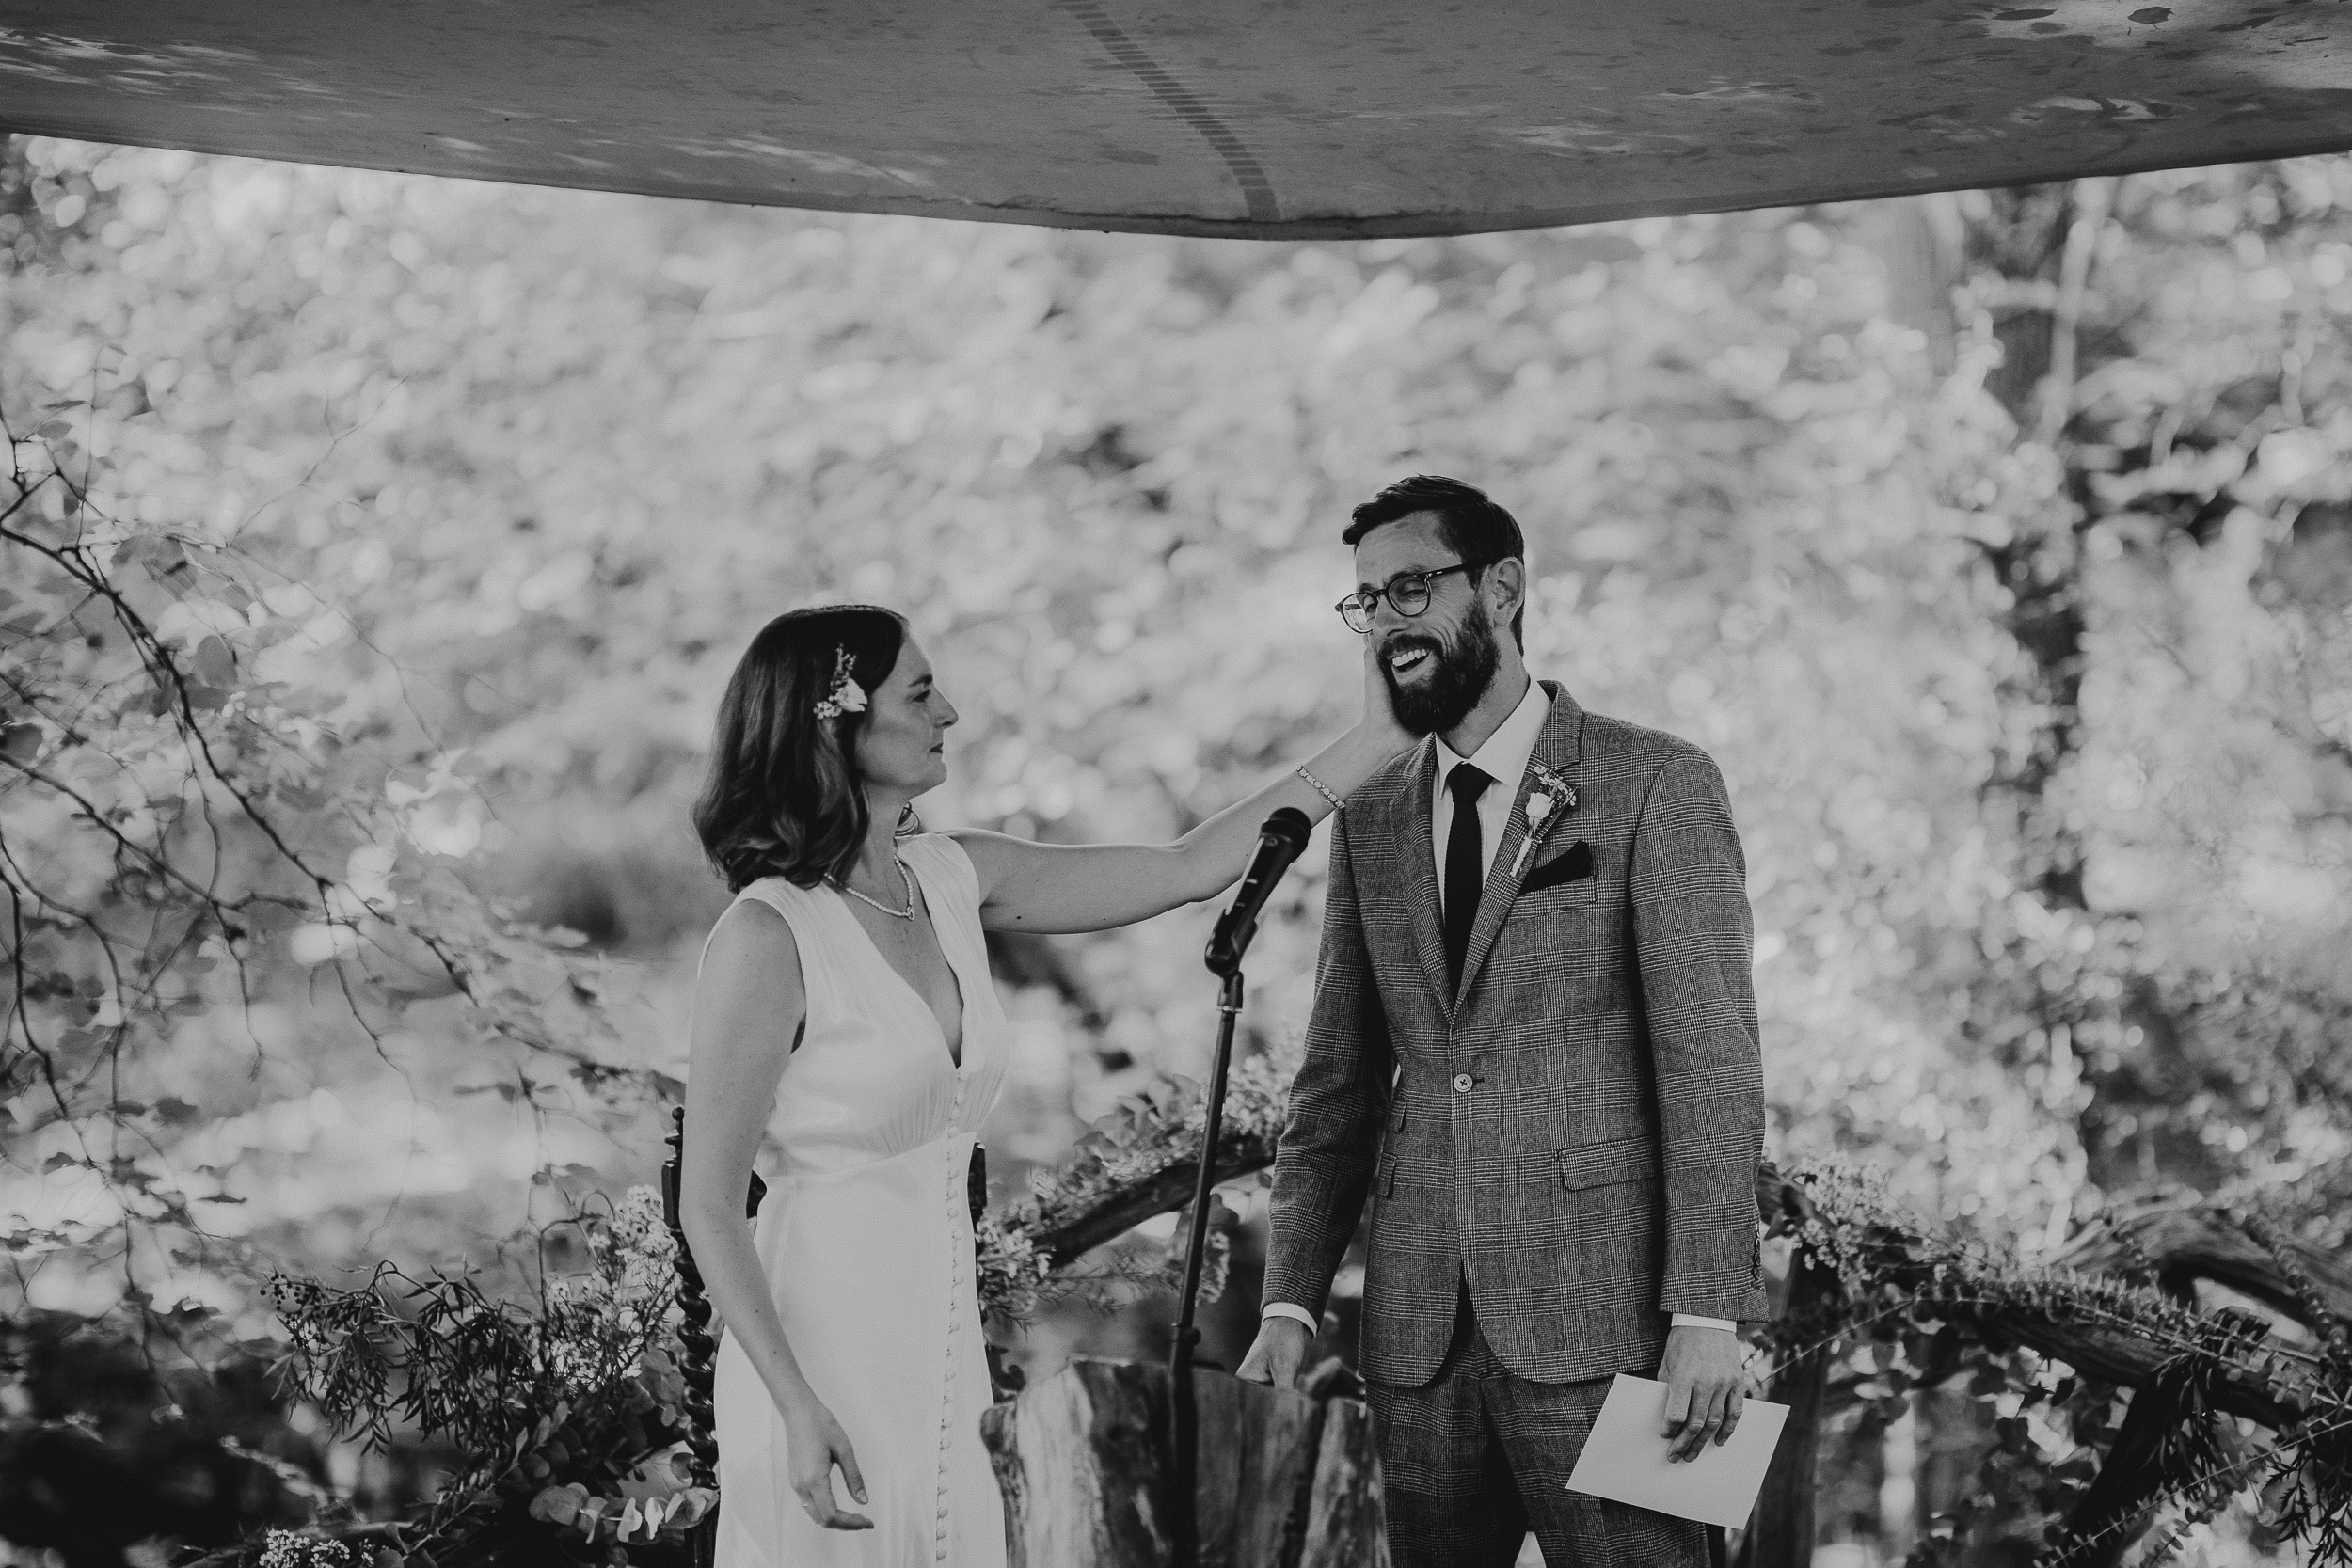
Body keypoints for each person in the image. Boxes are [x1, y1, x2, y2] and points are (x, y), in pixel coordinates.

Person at [678, 602, 1410, 1568]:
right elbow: (709, 1204)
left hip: (939, 1336)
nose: (950, 710)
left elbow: (1184, 867)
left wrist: (1375, 740)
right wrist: (796, 1402)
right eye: (920, 689)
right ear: (836, 720)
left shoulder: (952, 876)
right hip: (817, 1345)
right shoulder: (767, 935)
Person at [1235, 476, 1769, 1567]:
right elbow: (1333, 1082)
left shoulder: (1654, 781)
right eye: (1369, 602)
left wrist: (1707, 1312)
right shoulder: (1372, 814)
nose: (1388, 621)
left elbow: (1709, 1063)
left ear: (1504, 586)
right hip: (1416, 1336)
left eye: (1412, 588)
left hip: (1610, 1326)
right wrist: (1288, 1302)